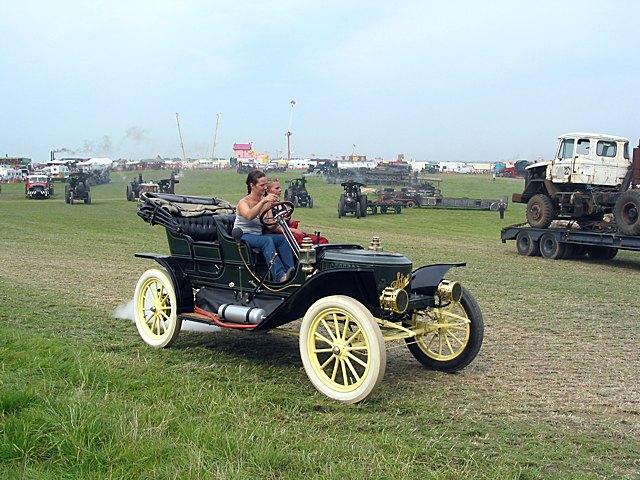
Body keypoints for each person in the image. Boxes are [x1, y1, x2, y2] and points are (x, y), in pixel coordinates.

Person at [233, 170, 295, 282]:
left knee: (282, 240)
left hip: (258, 236)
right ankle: (279, 276)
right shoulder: (243, 202)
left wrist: (281, 219)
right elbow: (249, 215)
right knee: (266, 241)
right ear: (252, 185)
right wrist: (263, 202)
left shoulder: (265, 201)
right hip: (244, 235)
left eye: (266, 184)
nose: (265, 188)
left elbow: (269, 224)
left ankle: (291, 272)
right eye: (262, 185)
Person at [265, 178, 328, 245]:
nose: (280, 190)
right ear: (268, 191)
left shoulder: (282, 204)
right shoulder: (266, 205)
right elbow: (271, 227)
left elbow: (290, 221)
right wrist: (293, 230)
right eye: (277, 188)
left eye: (280, 188)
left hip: (287, 231)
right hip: (278, 234)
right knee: (318, 241)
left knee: (319, 240)